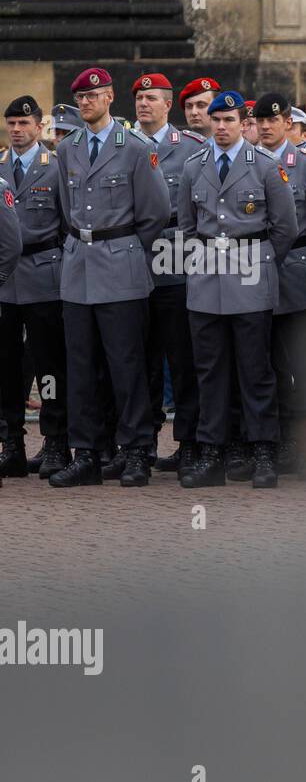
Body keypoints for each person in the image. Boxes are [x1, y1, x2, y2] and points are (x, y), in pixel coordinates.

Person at [49, 67, 170, 488]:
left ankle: (135, 450)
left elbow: (155, 211)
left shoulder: (134, 147)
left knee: (127, 363)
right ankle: (87, 452)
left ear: (110, 98)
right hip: (78, 265)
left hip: (122, 264)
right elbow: (66, 208)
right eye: (80, 96)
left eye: (93, 95)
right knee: (80, 365)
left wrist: (126, 247)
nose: (85, 102)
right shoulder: (67, 149)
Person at [176, 90, 297, 489]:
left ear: (243, 124)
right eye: (218, 120)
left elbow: (285, 228)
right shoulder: (195, 167)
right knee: (210, 370)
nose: (223, 127)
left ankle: (262, 449)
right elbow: (188, 228)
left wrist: (260, 262)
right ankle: (213, 452)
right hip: (208, 275)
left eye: (230, 120)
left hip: (250, 270)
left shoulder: (264, 166)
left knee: (255, 368)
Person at [131, 71, 206, 477]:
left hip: (176, 262)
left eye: (152, 98)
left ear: (168, 104)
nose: (144, 104)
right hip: (133, 262)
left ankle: (189, 443)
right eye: (139, 98)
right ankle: (141, 443)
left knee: (182, 357)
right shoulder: (123, 145)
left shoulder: (191, 147)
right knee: (139, 359)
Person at [252, 92, 306, 475]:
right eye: (261, 120)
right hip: (252, 275)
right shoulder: (245, 162)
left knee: (304, 364)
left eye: (274, 120)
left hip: (297, 275)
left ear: (288, 124)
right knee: (267, 365)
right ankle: (278, 440)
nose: (266, 126)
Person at [0, 97, 58, 479]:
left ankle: (54, 442)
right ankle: (12, 444)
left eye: (24, 123)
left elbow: (68, 223)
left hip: (45, 276)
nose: (17, 130)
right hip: (7, 281)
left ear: (39, 126)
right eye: (12, 124)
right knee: (6, 367)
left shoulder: (54, 167)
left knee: (50, 368)